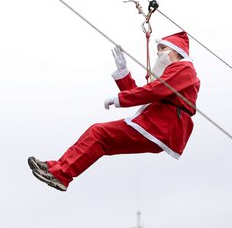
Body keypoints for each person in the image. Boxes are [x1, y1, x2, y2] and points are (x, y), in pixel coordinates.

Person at [28, 31, 201, 191]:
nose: (158, 53)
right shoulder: (175, 74)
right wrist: (123, 74)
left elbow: (152, 91)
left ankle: (61, 173)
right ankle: (58, 169)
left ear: (177, 52)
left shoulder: (184, 68)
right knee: (100, 139)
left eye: (162, 48)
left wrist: (120, 99)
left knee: (99, 132)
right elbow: (147, 93)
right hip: (159, 127)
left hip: (162, 127)